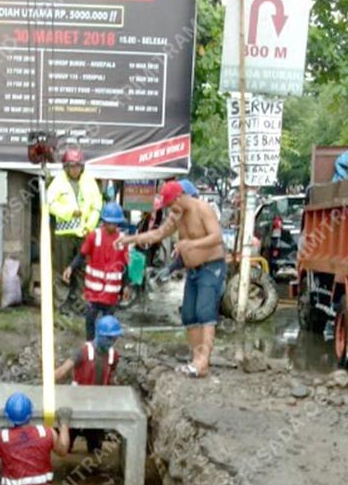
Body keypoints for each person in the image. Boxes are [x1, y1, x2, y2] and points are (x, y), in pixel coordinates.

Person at [118, 181, 225, 377]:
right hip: (192, 270)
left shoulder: (203, 209)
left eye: (171, 206)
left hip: (211, 267)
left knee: (205, 312)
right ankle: (196, 360)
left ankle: (203, 361)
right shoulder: (177, 215)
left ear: (179, 197)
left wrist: (191, 244)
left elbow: (217, 237)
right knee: (189, 315)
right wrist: (130, 239)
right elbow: (158, 234)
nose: (170, 211)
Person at [54, 314, 123, 454]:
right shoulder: (83, 352)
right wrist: (46, 383)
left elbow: (111, 377)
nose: (111, 342)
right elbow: (62, 371)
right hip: (75, 402)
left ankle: (93, 465)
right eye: (109, 338)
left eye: (114, 338)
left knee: (95, 447)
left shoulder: (113, 355)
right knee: (65, 445)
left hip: (97, 405)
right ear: (99, 335)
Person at [63, 202, 129, 340]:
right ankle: (90, 345)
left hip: (111, 293)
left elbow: (125, 266)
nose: (113, 226)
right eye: (110, 223)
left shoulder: (122, 240)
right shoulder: (94, 236)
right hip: (93, 292)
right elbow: (81, 255)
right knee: (90, 319)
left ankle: (105, 347)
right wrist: (71, 267)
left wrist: (125, 287)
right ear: (104, 221)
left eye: (115, 223)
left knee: (108, 323)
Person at [47, 149, 104, 304]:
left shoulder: (89, 181)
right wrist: (69, 213)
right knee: (62, 268)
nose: (75, 169)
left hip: (84, 233)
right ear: (66, 167)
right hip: (64, 234)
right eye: (71, 166)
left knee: (82, 269)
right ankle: (61, 303)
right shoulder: (58, 181)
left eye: (78, 166)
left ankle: (81, 302)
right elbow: (50, 203)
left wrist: (91, 224)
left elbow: (97, 204)